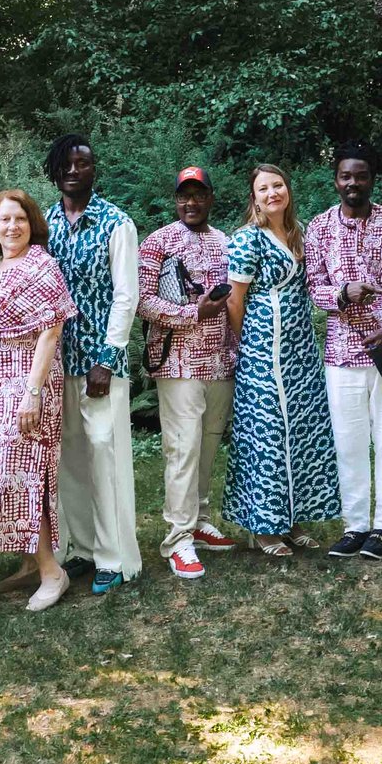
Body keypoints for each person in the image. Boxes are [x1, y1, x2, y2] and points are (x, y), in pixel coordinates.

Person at [0, 190, 79, 611]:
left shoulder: (42, 266)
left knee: (26, 477)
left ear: (32, 224)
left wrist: (33, 392)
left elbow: (51, 331)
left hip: (28, 381)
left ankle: (51, 571)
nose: (12, 227)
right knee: (0, 477)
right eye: (4, 220)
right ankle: (29, 562)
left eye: (20, 219)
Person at [304, 142, 382, 562]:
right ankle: (355, 526)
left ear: (372, 179)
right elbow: (314, 286)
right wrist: (343, 293)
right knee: (348, 441)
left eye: (361, 175)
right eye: (346, 176)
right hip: (341, 352)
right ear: (336, 179)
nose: (353, 183)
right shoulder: (318, 228)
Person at [42, 135, 142, 596]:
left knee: (104, 455)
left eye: (83, 164)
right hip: (56, 361)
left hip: (99, 363)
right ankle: (80, 548)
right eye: (67, 163)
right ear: (54, 169)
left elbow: (127, 295)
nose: (74, 170)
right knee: (68, 460)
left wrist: (108, 357)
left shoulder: (116, 224)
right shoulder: (44, 223)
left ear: (94, 171)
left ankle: (114, 556)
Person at [225, 164, 339, 555]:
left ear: (288, 190)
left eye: (278, 185)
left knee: (302, 428)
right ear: (253, 196)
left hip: (300, 346)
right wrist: (250, 341)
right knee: (268, 431)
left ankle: (292, 519)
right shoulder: (246, 239)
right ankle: (264, 526)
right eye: (263, 188)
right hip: (263, 349)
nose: (272, 193)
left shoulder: (298, 232)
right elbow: (234, 300)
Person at [138, 168, 237, 579]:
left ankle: (197, 519)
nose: (190, 203)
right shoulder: (158, 242)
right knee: (183, 448)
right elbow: (142, 301)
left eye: (198, 195)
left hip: (221, 361)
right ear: (175, 200)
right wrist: (194, 312)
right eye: (183, 197)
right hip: (177, 363)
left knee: (209, 444)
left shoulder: (227, 242)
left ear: (211, 198)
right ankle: (177, 539)